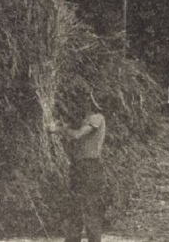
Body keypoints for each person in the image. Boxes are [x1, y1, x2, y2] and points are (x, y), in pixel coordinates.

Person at [47, 92, 107, 242]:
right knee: (74, 207)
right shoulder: (83, 120)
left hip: (90, 167)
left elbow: (77, 135)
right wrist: (60, 128)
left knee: (90, 207)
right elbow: (71, 136)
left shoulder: (97, 118)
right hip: (79, 166)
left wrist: (58, 130)